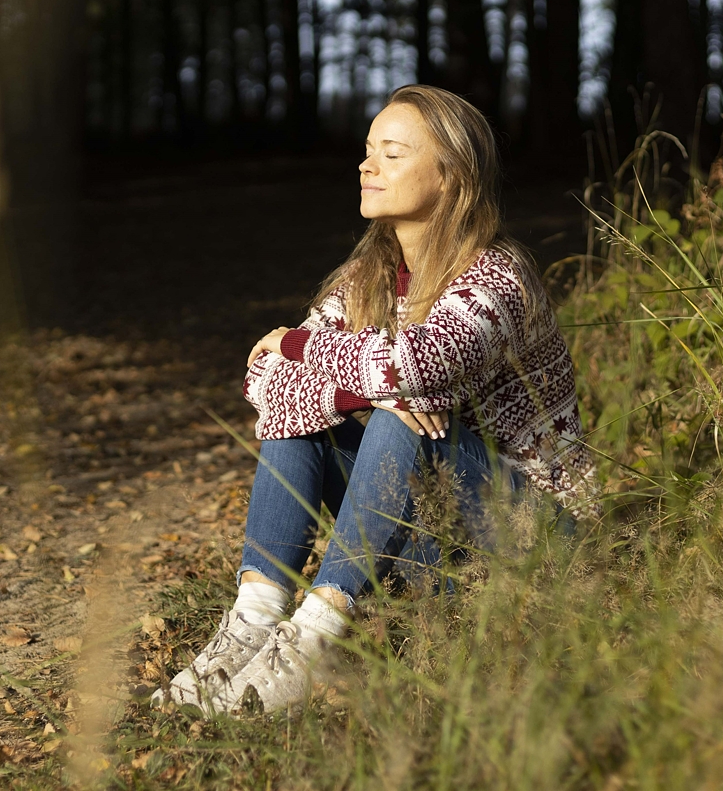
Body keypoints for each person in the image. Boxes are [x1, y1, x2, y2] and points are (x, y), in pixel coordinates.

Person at [152, 84, 599, 718]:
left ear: (449, 177)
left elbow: (419, 361)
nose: (366, 167)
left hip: (533, 542)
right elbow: (264, 386)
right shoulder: (361, 281)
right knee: (302, 421)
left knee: (401, 422)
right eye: (368, 151)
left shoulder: (499, 279)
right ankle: (254, 623)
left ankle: (314, 643)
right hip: (428, 543)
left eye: (391, 154)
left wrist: (303, 348)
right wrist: (352, 384)